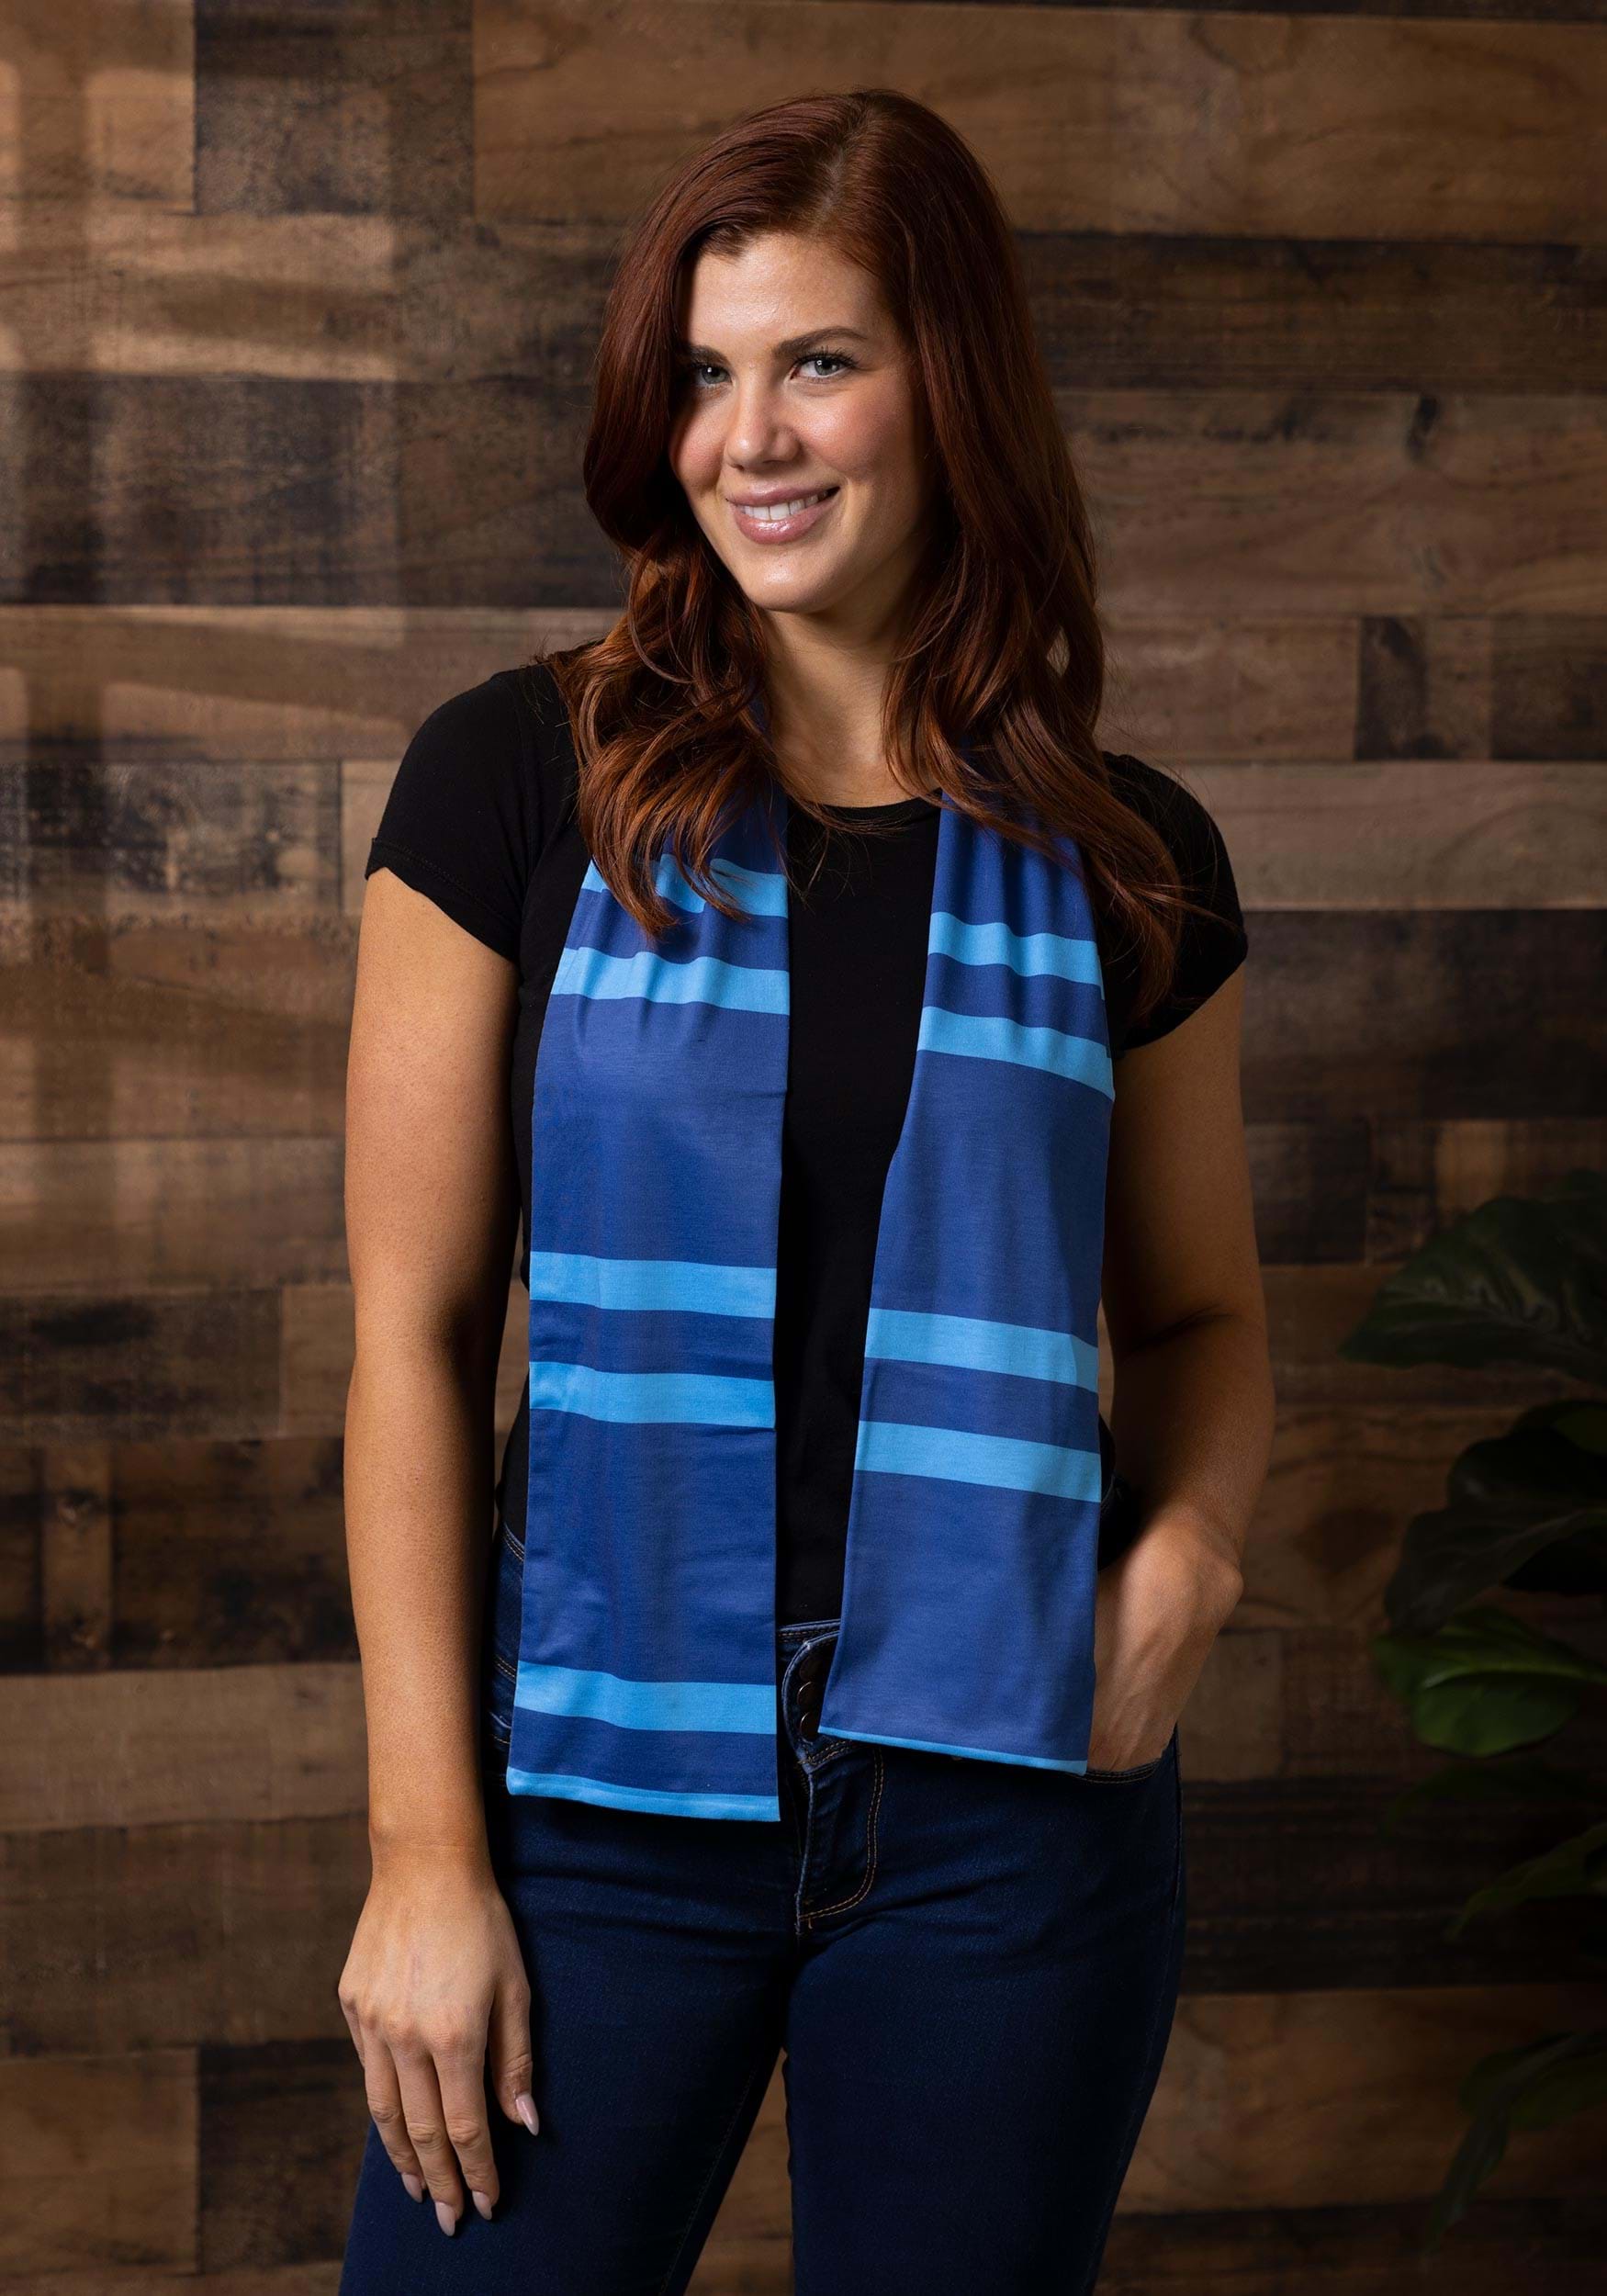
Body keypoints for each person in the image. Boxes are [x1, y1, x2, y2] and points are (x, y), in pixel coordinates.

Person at [336, 85, 1275, 2296]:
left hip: (1005, 1815)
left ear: (951, 386)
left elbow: (1198, 1317)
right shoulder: (515, 781)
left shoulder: (1128, 857)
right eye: (703, 371)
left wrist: (1193, 1551)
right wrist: (424, 1853)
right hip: (591, 1795)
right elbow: (410, 1338)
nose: (744, 436)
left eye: (817, 361)